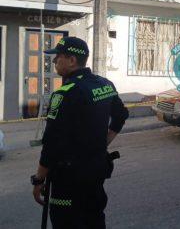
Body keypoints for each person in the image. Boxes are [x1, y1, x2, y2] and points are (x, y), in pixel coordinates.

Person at [31, 36, 129, 228]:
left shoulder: (65, 93)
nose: (54, 61)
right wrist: (103, 143)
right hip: (96, 171)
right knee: (94, 219)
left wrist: (39, 179)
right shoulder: (104, 84)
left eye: (57, 57)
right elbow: (121, 115)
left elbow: (51, 143)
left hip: (69, 178)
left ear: (72, 60)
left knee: (67, 222)